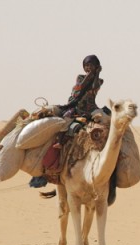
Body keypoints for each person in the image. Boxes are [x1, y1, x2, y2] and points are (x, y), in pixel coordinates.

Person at [29, 55, 105, 189]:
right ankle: (59, 143)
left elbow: (93, 88)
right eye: (86, 65)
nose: (88, 68)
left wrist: (96, 73)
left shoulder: (99, 80)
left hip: (90, 109)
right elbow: (81, 87)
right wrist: (91, 73)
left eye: (92, 65)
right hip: (75, 107)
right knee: (63, 123)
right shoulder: (80, 78)